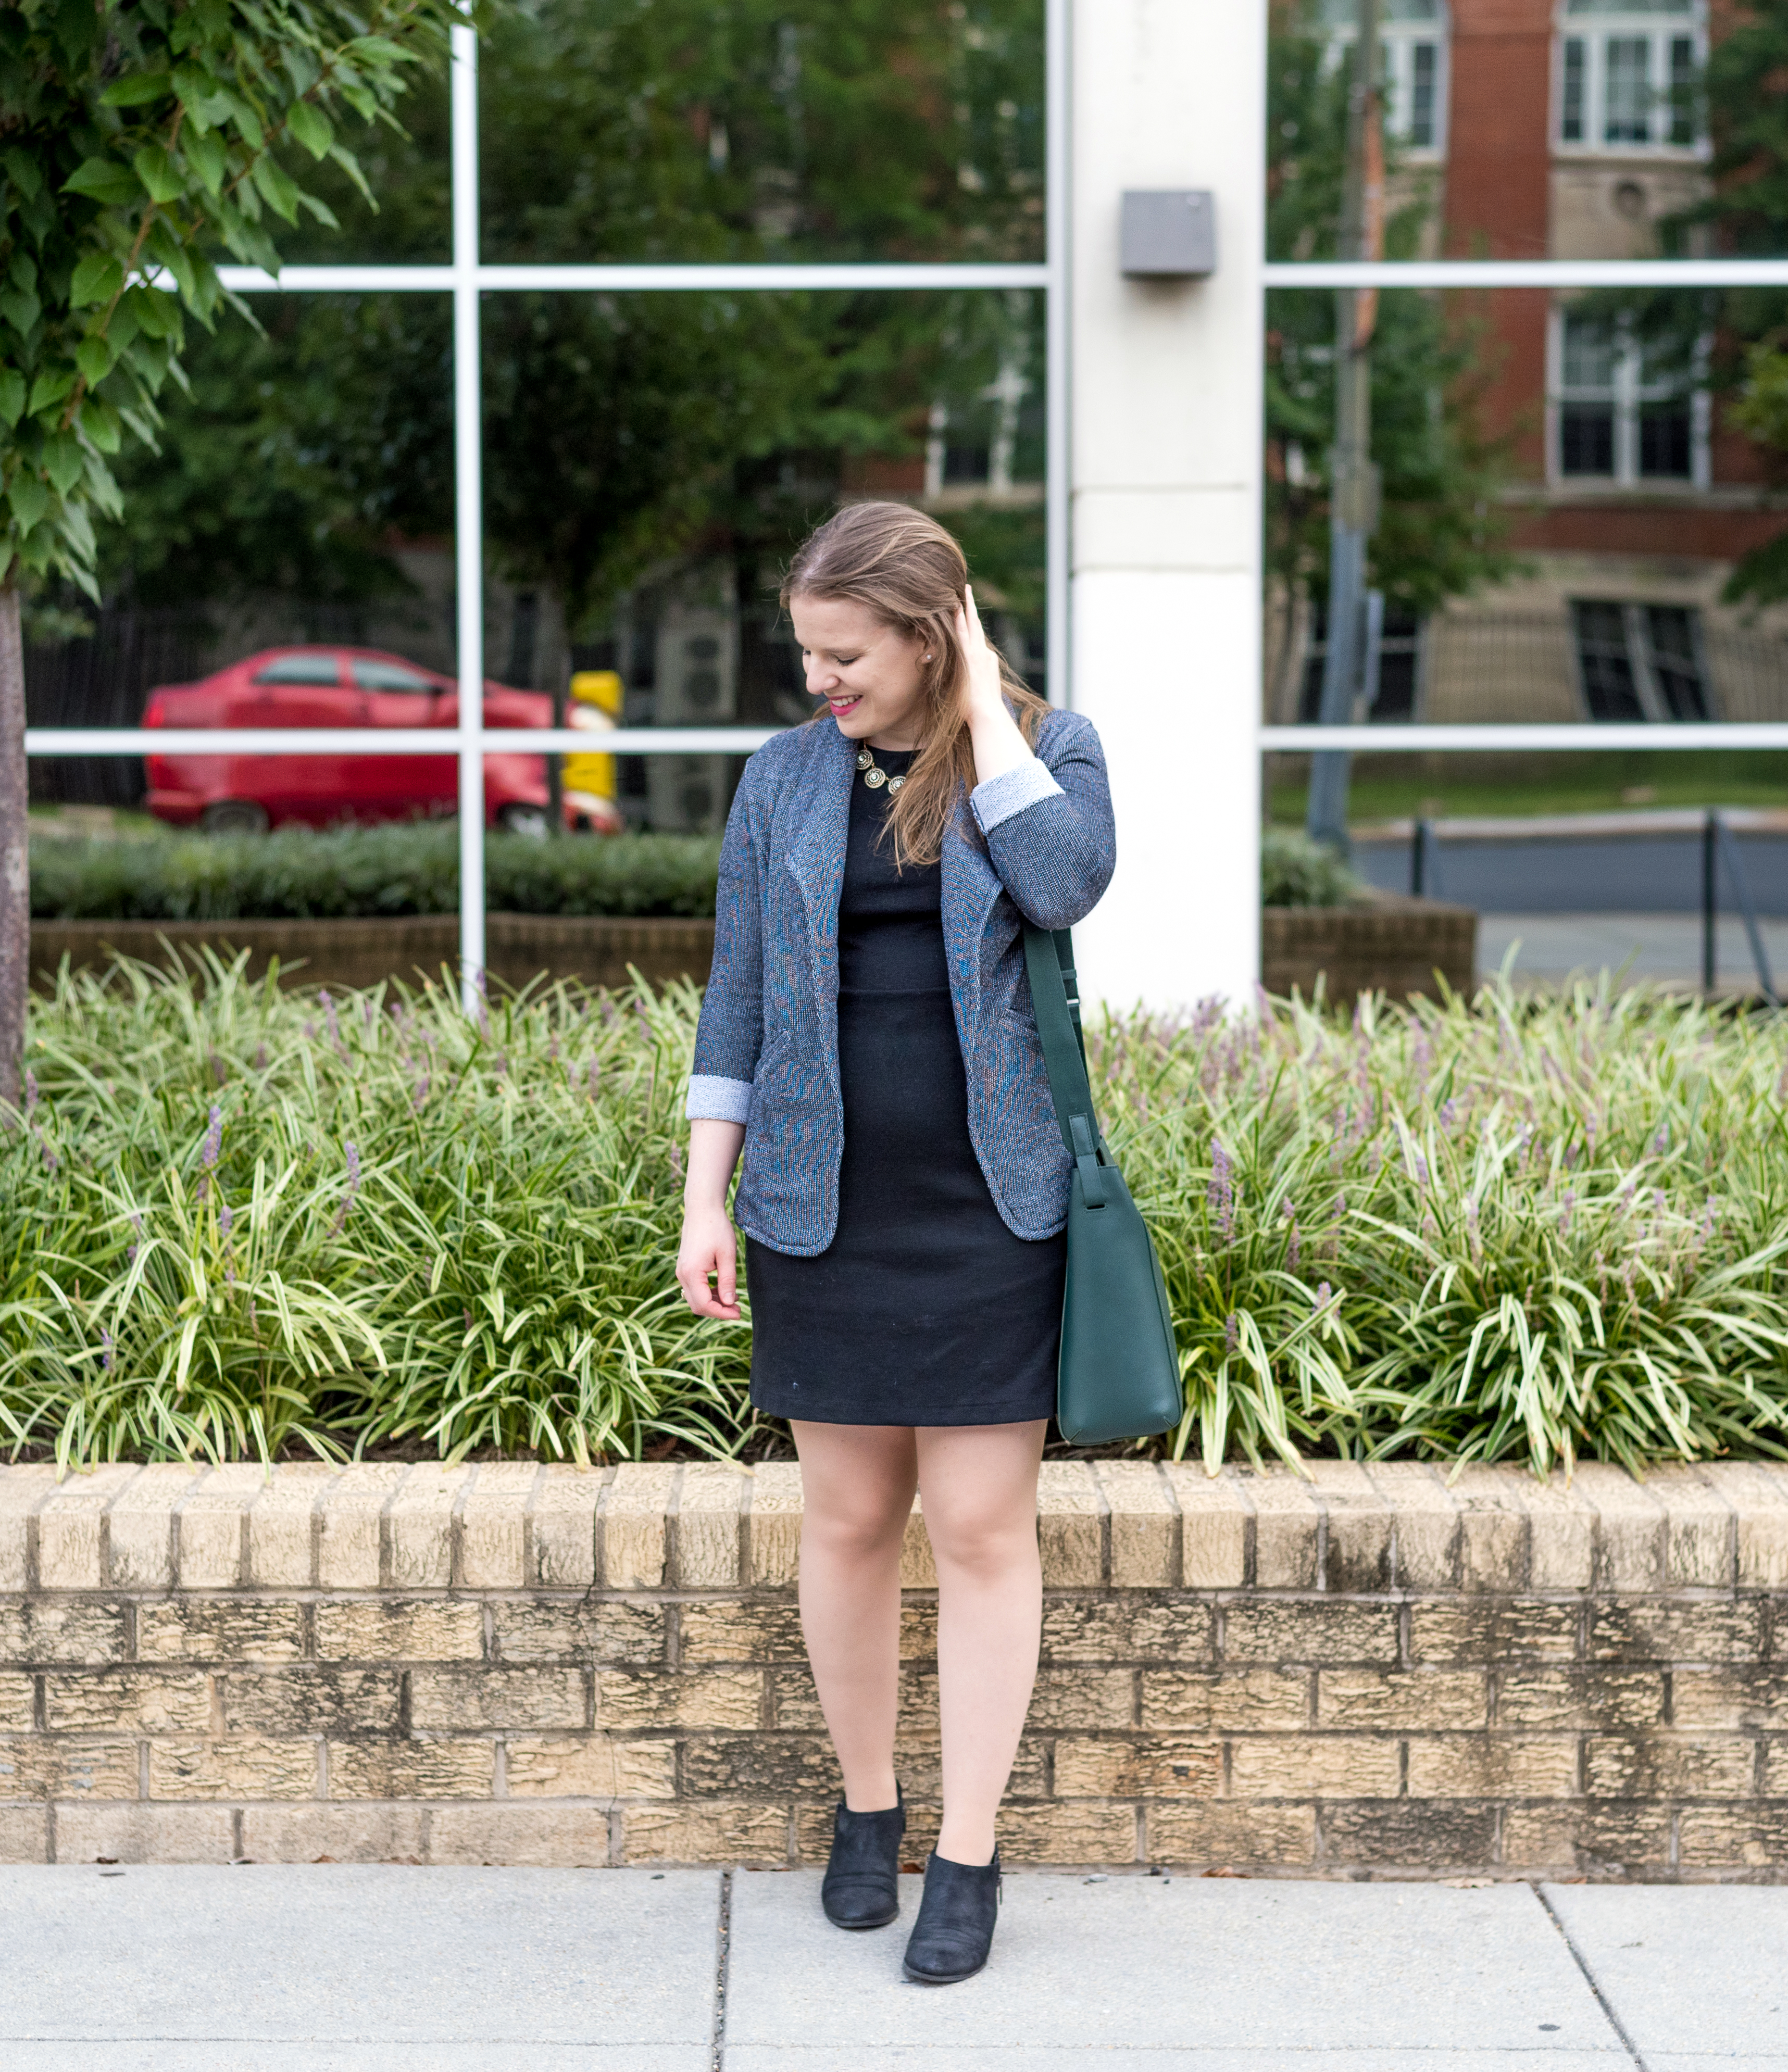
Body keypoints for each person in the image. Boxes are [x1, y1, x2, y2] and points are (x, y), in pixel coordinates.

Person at [676, 500, 1115, 1986]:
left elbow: (1062, 885)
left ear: (929, 634)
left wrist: (982, 706)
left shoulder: (1048, 753)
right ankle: (867, 1809)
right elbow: (732, 997)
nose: (819, 680)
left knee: (983, 1530)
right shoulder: (781, 781)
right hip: (822, 1203)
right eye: (806, 652)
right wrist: (702, 1195)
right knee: (850, 1520)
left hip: (992, 1208)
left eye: (845, 652)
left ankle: (972, 1853)